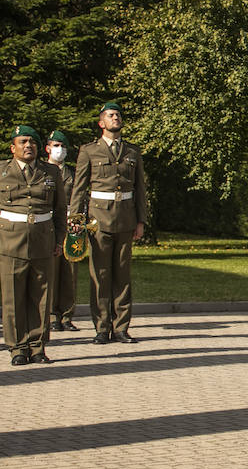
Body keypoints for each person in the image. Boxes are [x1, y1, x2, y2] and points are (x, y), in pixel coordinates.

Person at [70, 102, 148, 344]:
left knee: (122, 276)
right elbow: (79, 187)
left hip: (126, 219)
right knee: (100, 275)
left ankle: (121, 327)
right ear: (101, 123)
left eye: (118, 115)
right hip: (98, 220)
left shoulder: (132, 151)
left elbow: (140, 189)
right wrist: (75, 219)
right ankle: (102, 327)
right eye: (111, 115)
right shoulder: (89, 151)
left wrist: (141, 220)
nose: (116, 118)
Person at [2, 125, 66, 365]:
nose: (29, 146)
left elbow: (59, 211)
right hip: (9, 242)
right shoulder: (2, 171)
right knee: (13, 298)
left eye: (33, 142)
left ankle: (38, 347)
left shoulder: (50, 172)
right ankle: (17, 348)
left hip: (43, 240)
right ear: (13, 147)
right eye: (23, 142)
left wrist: (59, 240)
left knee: (41, 297)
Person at [45, 130, 79, 332]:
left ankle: (66, 316)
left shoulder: (71, 175)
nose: (60, 150)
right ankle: (50, 316)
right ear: (47, 148)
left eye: (63, 146)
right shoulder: (42, 171)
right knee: (50, 271)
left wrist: (77, 220)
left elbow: (79, 198)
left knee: (69, 272)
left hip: (70, 224)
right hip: (47, 225)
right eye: (56, 145)